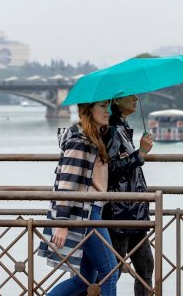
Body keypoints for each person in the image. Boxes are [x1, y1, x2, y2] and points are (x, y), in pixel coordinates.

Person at [38, 100, 119, 296]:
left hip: (90, 210)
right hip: (86, 213)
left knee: (84, 279)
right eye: (102, 106)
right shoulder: (80, 140)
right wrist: (62, 223)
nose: (107, 111)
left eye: (108, 105)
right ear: (87, 110)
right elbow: (67, 182)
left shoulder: (91, 138)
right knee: (109, 272)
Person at [104, 94, 154, 295]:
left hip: (133, 210)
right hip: (120, 212)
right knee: (113, 271)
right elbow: (112, 168)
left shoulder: (122, 129)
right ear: (115, 101)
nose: (136, 98)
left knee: (146, 266)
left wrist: (137, 152)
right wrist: (141, 153)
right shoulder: (113, 131)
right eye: (130, 96)